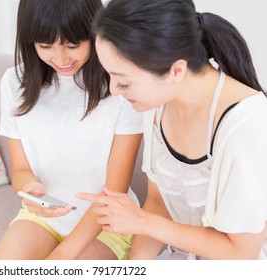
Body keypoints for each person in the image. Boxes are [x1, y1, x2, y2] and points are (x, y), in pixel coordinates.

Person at [78, 0, 267, 259]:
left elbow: (241, 253)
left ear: (175, 70)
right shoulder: (157, 102)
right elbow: (158, 203)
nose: (113, 90)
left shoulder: (246, 125)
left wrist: (141, 221)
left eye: (123, 80)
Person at [0, 0, 143, 260]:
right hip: (44, 220)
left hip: (106, 221)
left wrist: (62, 254)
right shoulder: (14, 83)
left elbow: (114, 190)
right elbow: (20, 170)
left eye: (73, 45)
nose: (61, 59)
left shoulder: (121, 85)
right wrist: (29, 188)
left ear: (96, 33)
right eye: (45, 45)